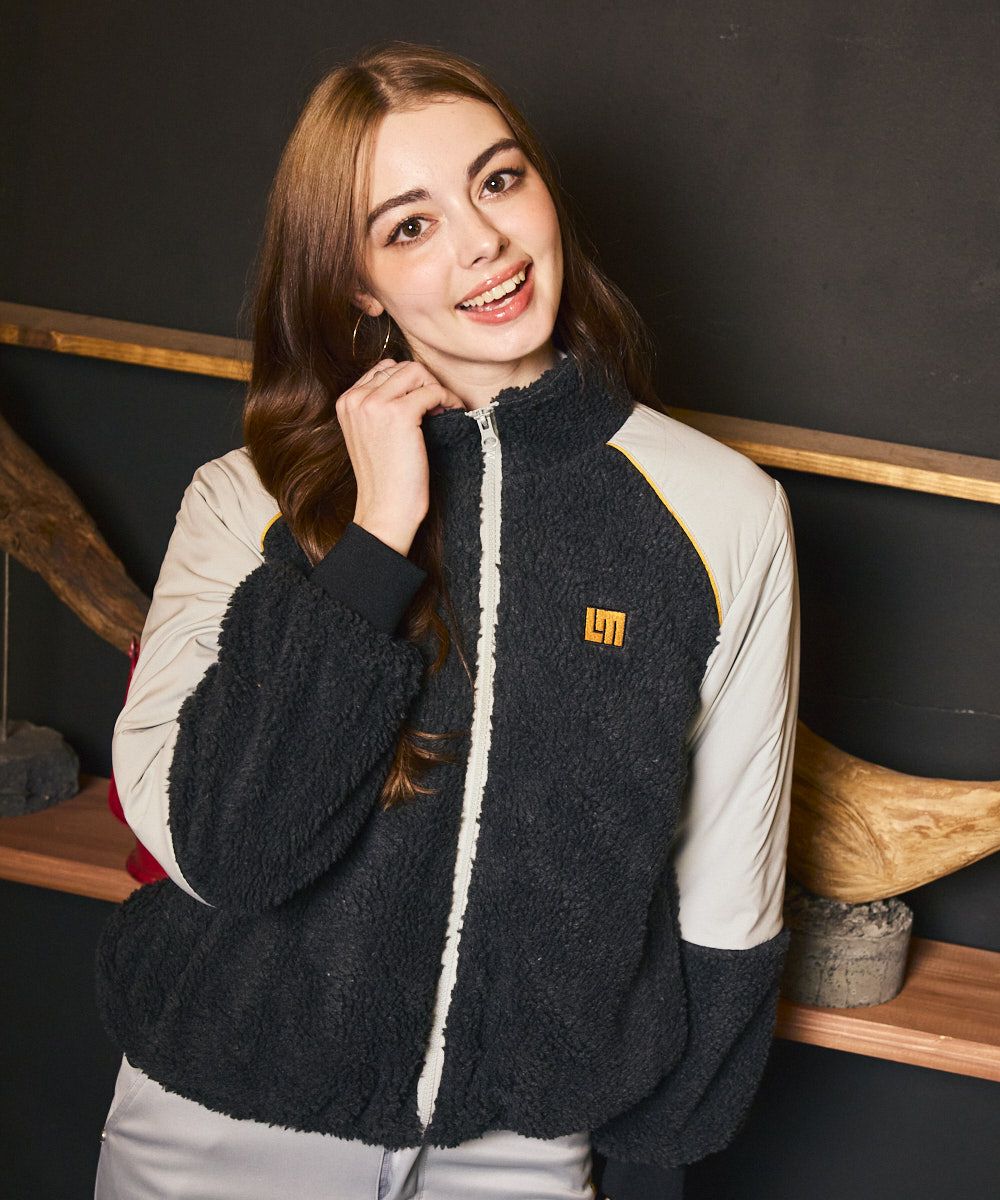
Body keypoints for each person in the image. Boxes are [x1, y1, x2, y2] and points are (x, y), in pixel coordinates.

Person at [93, 38, 800, 1200]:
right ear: (358, 284)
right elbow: (226, 853)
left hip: (523, 1148)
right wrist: (374, 542)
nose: (482, 242)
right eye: (410, 224)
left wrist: (659, 1148)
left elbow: (730, 875)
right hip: (219, 1120)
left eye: (499, 180)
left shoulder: (721, 509)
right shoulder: (247, 499)